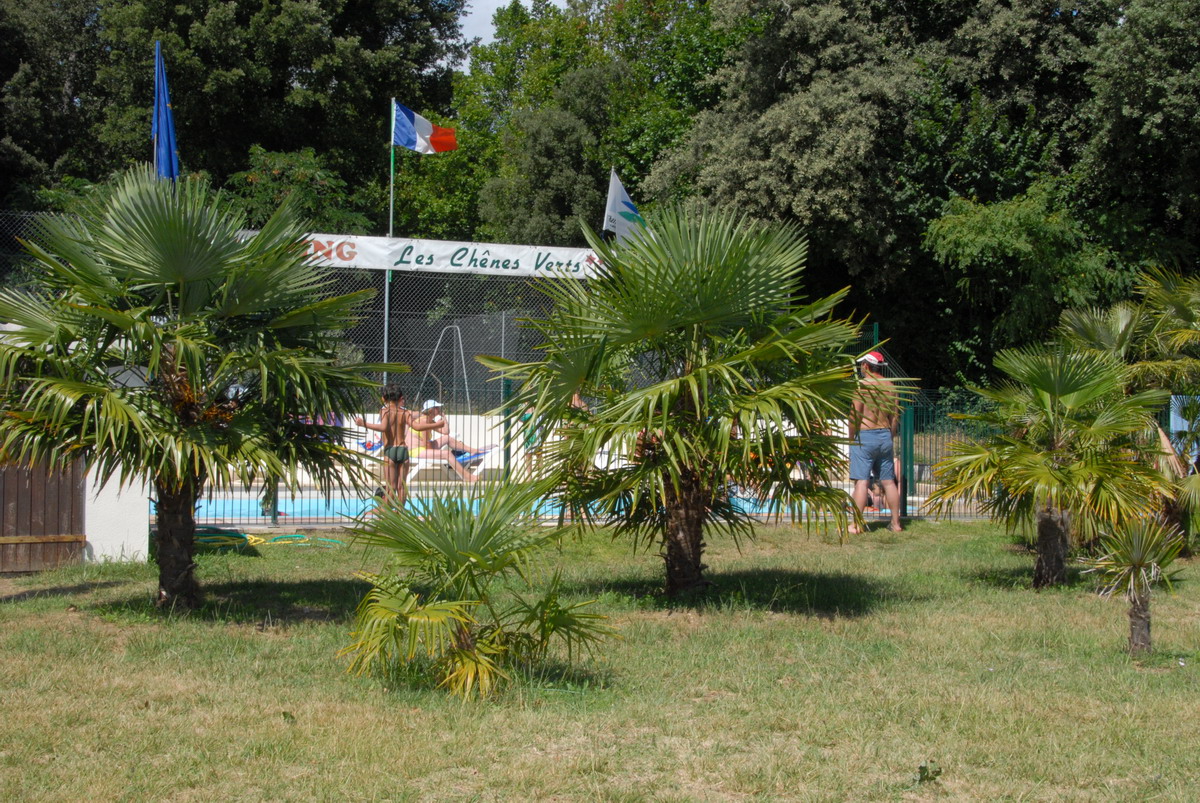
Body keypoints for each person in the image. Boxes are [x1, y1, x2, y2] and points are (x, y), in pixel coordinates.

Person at [355, 385, 440, 510]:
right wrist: (439, 423)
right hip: (403, 450)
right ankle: (400, 513)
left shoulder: (385, 411)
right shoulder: (405, 412)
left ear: (383, 398)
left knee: (391, 487)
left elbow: (383, 427)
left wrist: (364, 424)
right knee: (402, 486)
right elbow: (417, 427)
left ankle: (384, 512)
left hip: (390, 450)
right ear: (401, 398)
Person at [849, 351, 902, 533]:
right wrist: (890, 436)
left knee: (862, 482)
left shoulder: (862, 386)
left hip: (865, 435)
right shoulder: (891, 387)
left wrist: (851, 438)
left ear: (866, 366)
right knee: (888, 482)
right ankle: (895, 524)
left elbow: (854, 416)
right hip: (885, 435)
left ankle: (856, 524)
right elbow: (894, 417)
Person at [409, 400, 482, 483]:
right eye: (436, 407)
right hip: (416, 451)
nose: (439, 409)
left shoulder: (430, 420)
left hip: (424, 447)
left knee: (447, 438)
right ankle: (467, 477)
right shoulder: (423, 421)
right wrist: (437, 453)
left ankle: (472, 450)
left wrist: (444, 418)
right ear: (431, 410)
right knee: (446, 453)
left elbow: (446, 432)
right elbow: (427, 442)